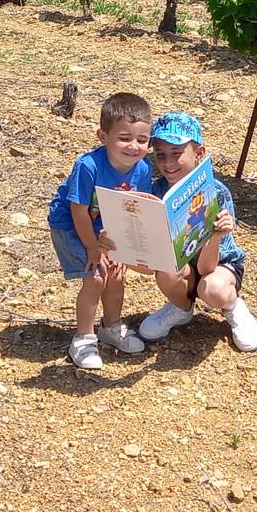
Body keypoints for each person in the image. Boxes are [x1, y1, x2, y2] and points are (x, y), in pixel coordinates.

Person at [138, 111, 257, 352]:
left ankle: (233, 305)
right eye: (161, 155)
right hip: (181, 264)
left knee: (212, 288)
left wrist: (216, 235)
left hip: (217, 265)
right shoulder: (156, 191)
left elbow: (207, 268)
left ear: (199, 154)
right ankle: (180, 308)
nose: (167, 163)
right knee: (166, 270)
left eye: (176, 154)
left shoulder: (216, 193)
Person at [48, 91, 155, 369]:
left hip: (108, 227)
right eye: (124, 138)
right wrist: (93, 247)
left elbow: (133, 209)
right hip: (72, 226)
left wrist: (123, 247)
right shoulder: (89, 166)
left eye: (142, 140)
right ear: (103, 137)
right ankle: (83, 338)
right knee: (96, 277)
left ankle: (111, 326)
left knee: (117, 274)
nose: (134, 146)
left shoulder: (142, 170)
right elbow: (78, 210)